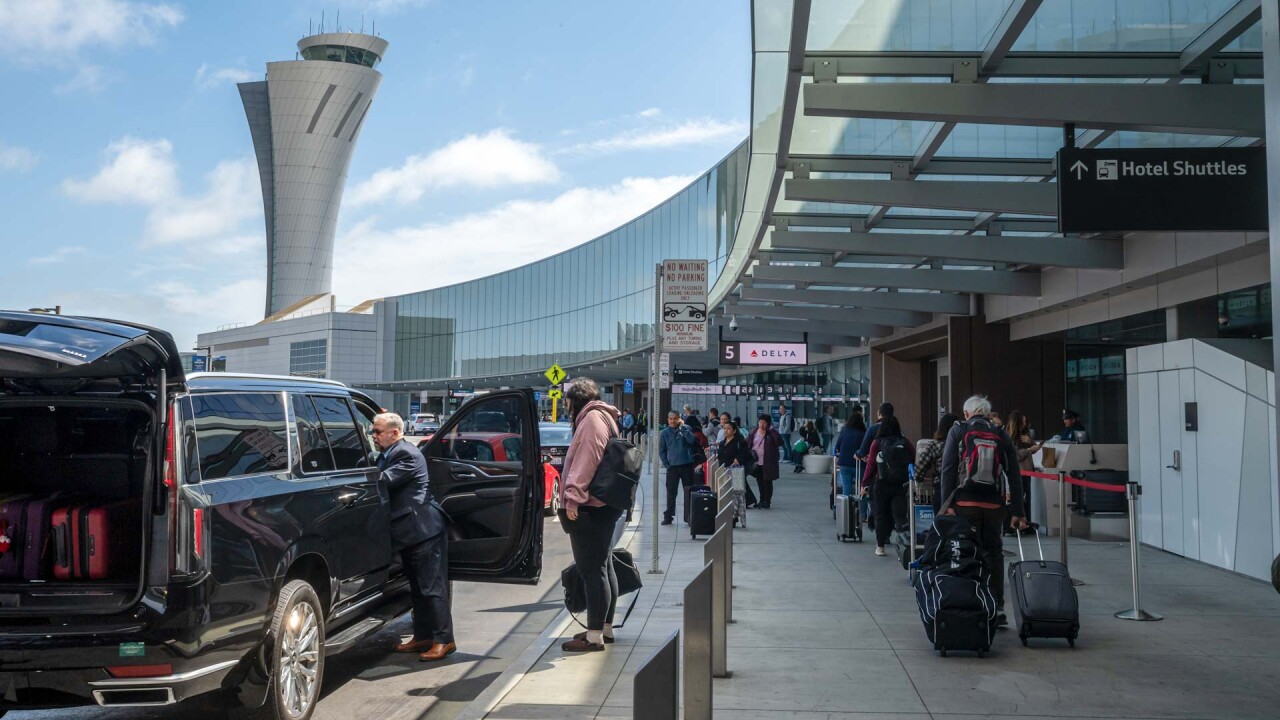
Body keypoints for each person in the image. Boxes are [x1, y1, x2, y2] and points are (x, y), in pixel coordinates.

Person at [373, 413, 455, 661]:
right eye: (373, 432)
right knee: (418, 589)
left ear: (395, 433)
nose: (373, 436)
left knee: (433, 588)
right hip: (409, 533)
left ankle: (445, 640)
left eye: (378, 432)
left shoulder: (406, 454)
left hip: (423, 531)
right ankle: (423, 636)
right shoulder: (389, 454)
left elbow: (383, 480)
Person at [940, 395, 1027, 627]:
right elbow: (1015, 475)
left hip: (964, 504)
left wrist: (946, 505)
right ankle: (997, 607)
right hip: (993, 506)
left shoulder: (958, 430)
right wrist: (1018, 511)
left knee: (965, 552)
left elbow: (948, 470)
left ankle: (968, 603)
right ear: (987, 414)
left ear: (967, 413)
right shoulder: (1000, 433)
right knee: (993, 553)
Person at [557, 378, 626, 652]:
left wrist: (572, 497)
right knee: (603, 565)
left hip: (591, 506)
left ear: (577, 400)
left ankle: (594, 635)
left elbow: (586, 461)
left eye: (567, 401)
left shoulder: (591, 421)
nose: (566, 406)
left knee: (592, 570)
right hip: (603, 504)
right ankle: (603, 629)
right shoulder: (604, 417)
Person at [861, 416, 915, 556]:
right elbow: (914, 459)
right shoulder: (904, 442)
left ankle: (880, 547)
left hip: (882, 483)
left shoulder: (877, 443)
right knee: (900, 516)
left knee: (881, 515)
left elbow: (871, 464)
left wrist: (865, 483)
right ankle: (906, 546)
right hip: (901, 484)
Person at [1006, 410, 1043, 535]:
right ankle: (1014, 526)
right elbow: (1015, 456)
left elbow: (1032, 450)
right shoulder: (1010, 437)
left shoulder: (1024, 435)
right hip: (1019, 472)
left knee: (1026, 499)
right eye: (1023, 422)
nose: (1025, 424)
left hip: (1027, 471)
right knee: (1018, 499)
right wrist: (1028, 449)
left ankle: (1025, 525)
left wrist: (1031, 443)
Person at [659, 411, 698, 526]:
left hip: (687, 466)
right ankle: (668, 516)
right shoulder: (665, 433)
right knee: (671, 493)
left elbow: (692, 441)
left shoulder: (686, 429)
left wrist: (683, 428)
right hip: (672, 468)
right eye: (671, 418)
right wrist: (667, 464)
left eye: (675, 418)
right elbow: (662, 450)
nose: (673, 421)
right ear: (668, 419)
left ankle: (690, 516)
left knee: (689, 491)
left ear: (680, 419)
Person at [916, 413, 960, 512]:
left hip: (941, 487)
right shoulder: (962, 444)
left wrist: (919, 478)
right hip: (961, 488)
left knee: (941, 521)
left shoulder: (935, 445)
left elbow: (920, 467)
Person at [716, 420, 758, 507]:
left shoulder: (739, 442)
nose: (726, 430)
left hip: (736, 468)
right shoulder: (722, 442)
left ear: (734, 431)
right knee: (733, 486)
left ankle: (743, 503)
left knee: (738, 487)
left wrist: (738, 459)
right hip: (725, 467)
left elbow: (746, 454)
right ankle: (747, 500)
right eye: (725, 428)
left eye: (728, 428)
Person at [750, 414, 783, 508]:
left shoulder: (771, 433)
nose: (762, 424)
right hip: (756, 462)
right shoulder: (754, 432)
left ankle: (767, 501)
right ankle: (761, 500)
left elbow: (779, 442)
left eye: (764, 422)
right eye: (760, 422)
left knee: (767, 482)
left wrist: (772, 431)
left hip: (768, 462)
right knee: (759, 481)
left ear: (768, 423)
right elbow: (748, 442)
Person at [833, 412, 867, 497]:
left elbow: (838, 446)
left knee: (846, 488)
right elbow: (865, 449)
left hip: (844, 463)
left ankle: (846, 508)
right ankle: (862, 509)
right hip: (859, 465)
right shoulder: (863, 433)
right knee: (862, 489)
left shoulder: (844, 430)